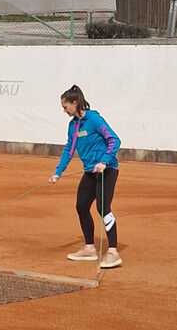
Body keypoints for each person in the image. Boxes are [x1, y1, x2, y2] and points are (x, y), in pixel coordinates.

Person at [49, 84, 122, 268]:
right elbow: (69, 149)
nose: (64, 110)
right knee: (81, 206)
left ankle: (113, 251)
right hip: (90, 171)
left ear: (75, 103)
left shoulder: (94, 119)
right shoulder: (73, 125)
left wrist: (104, 161)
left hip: (107, 170)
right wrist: (58, 172)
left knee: (103, 207)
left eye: (65, 107)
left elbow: (114, 140)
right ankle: (89, 248)